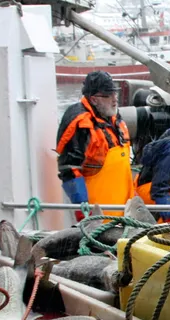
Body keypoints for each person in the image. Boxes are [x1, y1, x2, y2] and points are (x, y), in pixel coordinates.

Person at [56, 71, 134, 220]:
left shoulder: (114, 118)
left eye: (114, 94)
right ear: (94, 99)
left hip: (123, 210)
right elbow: (69, 169)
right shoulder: (80, 123)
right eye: (108, 95)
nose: (114, 99)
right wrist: (82, 209)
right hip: (97, 215)